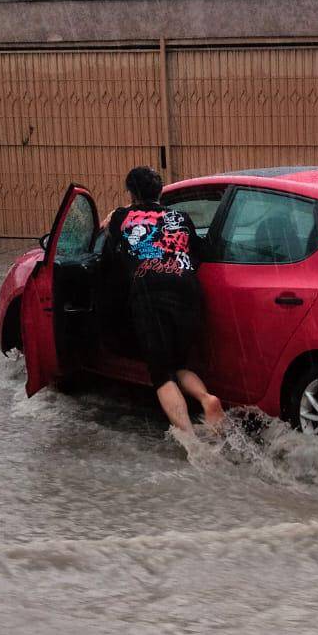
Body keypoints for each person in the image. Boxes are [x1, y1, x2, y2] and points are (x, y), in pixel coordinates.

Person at [101, 166, 223, 437]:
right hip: (188, 290)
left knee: (161, 374)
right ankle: (206, 398)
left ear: (131, 193)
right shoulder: (181, 216)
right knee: (179, 365)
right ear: (160, 192)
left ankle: (189, 438)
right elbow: (199, 251)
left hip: (150, 293)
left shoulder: (122, 217)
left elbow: (108, 244)